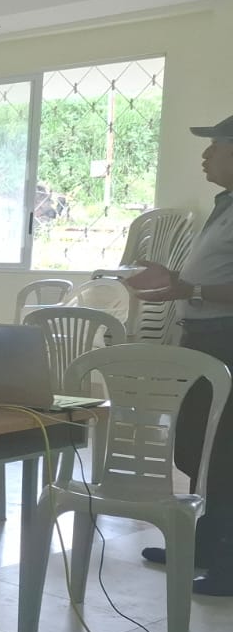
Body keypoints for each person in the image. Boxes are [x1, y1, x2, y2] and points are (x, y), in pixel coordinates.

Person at [125, 113, 233, 595]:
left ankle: (227, 563)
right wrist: (176, 280)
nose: (206, 155)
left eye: (216, 146)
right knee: (196, 446)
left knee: (225, 452)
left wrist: (190, 288)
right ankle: (202, 545)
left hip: (226, 341)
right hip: (202, 339)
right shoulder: (224, 205)